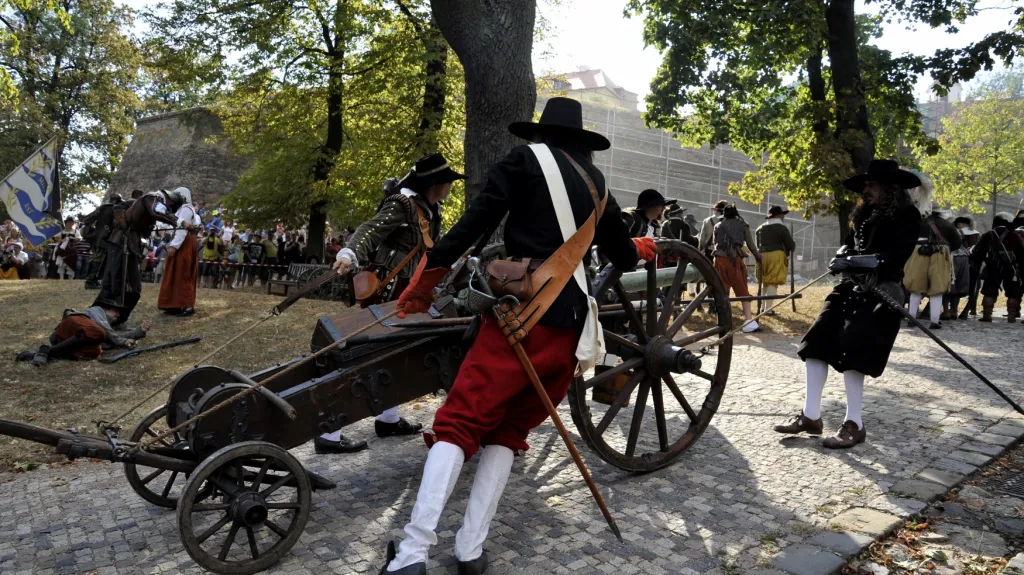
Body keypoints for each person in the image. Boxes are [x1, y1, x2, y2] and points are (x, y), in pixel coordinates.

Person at [377, 97, 644, 575]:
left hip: (521, 319)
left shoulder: (523, 160)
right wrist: (641, 245)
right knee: (509, 431)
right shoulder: (597, 183)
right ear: (580, 140)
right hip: (568, 331)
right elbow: (623, 257)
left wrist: (423, 284)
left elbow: (473, 224)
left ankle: (412, 554)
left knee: (458, 425)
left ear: (541, 133)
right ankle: (470, 551)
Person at [323, 153, 463, 455]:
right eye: (447, 181)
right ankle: (329, 433)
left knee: (397, 355)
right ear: (435, 184)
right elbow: (370, 229)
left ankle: (388, 419)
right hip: (388, 291)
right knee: (365, 357)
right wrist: (348, 254)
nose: (450, 186)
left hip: (408, 292)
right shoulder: (403, 204)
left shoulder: (428, 208)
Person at [775, 159, 921, 448]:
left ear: (889, 188)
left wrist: (855, 262)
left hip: (881, 290)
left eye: (872, 185)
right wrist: (841, 255)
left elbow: (894, 255)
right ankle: (810, 416)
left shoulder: (907, 215)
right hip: (849, 286)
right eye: (865, 184)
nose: (866, 189)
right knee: (815, 343)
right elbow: (849, 242)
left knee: (855, 349)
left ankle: (855, 423)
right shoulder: (863, 213)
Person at [95, 190, 181, 326]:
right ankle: (103, 319)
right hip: (121, 242)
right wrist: (179, 222)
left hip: (128, 244)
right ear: (171, 200)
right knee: (116, 284)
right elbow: (157, 211)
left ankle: (115, 319)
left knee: (131, 288)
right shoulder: (151, 198)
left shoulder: (146, 202)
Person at [17, 298, 150, 365]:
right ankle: (47, 352)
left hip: (72, 340)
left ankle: (45, 352)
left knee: (94, 352)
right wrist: (123, 341)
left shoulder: (106, 328)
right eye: (116, 311)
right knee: (98, 333)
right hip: (72, 325)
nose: (118, 315)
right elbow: (111, 335)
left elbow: (114, 336)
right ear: (105, 308)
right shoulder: (96, 311)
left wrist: (139, 331)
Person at [903, 183, 961, 329]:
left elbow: (907, 238)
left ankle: (912, 318)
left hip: (918, 253)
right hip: (940, 254)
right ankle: (934, 321)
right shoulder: (947, 224)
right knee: (937, 289)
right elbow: (957, 243)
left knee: (915, 288)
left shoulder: (918, 222)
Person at [712, 204, 762, 332]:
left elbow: (715, 243)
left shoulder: (718, 225)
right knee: (742, 289)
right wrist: (758, 257)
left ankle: (723, 321)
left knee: (722, 291)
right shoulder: (743, 225)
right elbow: (750, 245)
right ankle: (748, 321)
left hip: (719, 260)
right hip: (734, 261)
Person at [971, 212, 1024, 323]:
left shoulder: (988, 235)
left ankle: (987, 315)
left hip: (992, 267)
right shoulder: (1015, 236)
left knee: (989, 291)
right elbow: (1021, 254)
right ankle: (1011, 316)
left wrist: (977, 262)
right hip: (1011, 268)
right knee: (1013, 292)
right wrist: (1019, 267)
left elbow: (979, 253)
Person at [157, 187, 201, 317]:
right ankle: (174, 305)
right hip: (183, 242)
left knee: (183, 273)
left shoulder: (186, 209)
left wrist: (174, 246)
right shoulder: (181, 209)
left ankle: (187, 305)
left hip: (184, 243)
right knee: (175, 274)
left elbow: (182, 230)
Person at [755, 205, 796, 306]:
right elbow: (791, 245)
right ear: (778, 215)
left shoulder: (759, 228)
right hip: (776, 255)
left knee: (765, 281)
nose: (783, 217)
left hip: (762, 255)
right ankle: (768, 309)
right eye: (782, 214)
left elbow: (758, 245)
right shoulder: (781, 228)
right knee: (773, 281)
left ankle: (762, 308)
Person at [954, 217, 982, 319]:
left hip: (959, 262)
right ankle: (967, 309)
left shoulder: (958, 233)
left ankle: (954, 310)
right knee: (973, 287)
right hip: (973, 263)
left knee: (956, 285)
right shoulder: (977, 234)